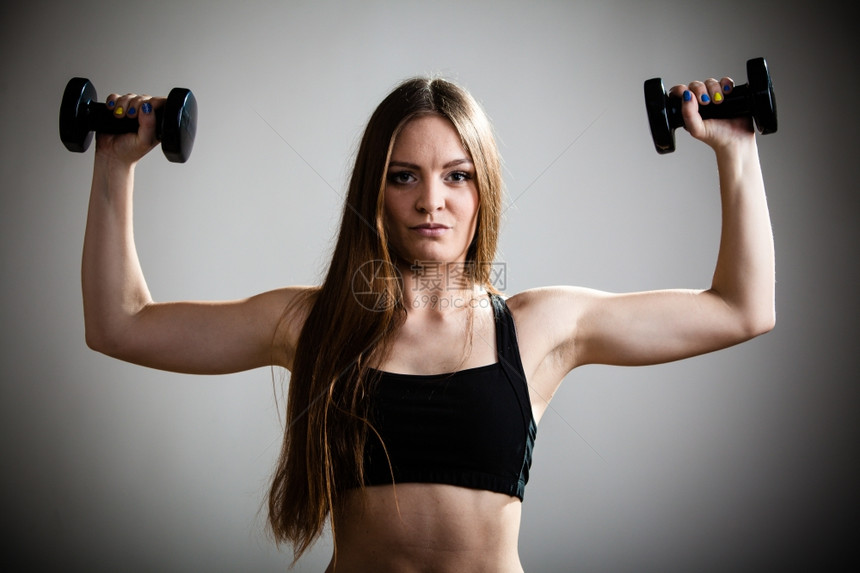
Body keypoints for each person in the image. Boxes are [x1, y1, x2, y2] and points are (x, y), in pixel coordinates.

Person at [82, 72, 775, 572]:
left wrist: (736, 151)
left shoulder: (539, 327)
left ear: (483, 191)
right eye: (404, 176)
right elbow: (121, 322)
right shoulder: (314, 323)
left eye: (457, 176)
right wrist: (115, 167)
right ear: (374, 191)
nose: (431, 202)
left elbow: (741, 307)